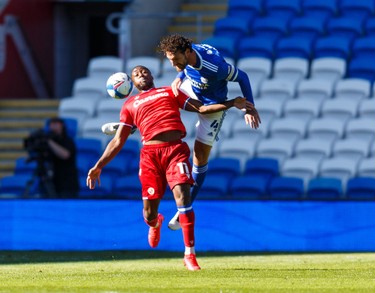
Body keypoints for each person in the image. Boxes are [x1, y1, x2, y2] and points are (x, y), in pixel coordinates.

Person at [86, 65, 249, 271]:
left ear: (152, 75)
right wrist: (98, 166)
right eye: (136, 74)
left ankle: (189, 254)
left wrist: (231, 103)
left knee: (183, 197)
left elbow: (201, 108)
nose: (141, 74)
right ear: (131, 84)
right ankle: (155, 223)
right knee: (149, 213)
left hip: (175, 151)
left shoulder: (169, 91)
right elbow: (118, 140)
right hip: (150, 157)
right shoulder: (129, 105)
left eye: (144, 71)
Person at [157, 34, 261, 230]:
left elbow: (243, 76)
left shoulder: (214, 67)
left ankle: (183, 210)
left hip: (214, 104)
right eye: (170, 60)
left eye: (175, 60)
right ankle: (130, 126)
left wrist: (249, 107)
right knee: (163, 97)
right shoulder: (186, 51)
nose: (172, 64)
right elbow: (184, 65)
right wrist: (179, 77)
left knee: (200, 156)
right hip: (191, 89)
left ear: (187, 52)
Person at [24, 117, 79, 198]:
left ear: (62, 125)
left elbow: (65, 155)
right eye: (51, 124)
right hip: (53, 181)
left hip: (67, 184)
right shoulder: (48, 140)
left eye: (56, 124)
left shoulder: (67, 140)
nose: (53, 126)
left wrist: (49, 141)